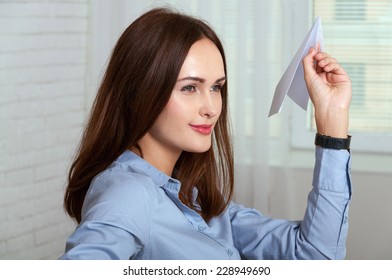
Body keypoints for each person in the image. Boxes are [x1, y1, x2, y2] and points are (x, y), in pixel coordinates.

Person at [59, 7, 352, 260]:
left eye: (216, 87)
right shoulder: (130, 194)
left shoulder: (195, 199)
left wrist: (333, 122)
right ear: (140, 93)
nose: (212, 108)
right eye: (189, 87)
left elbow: (316, 255)